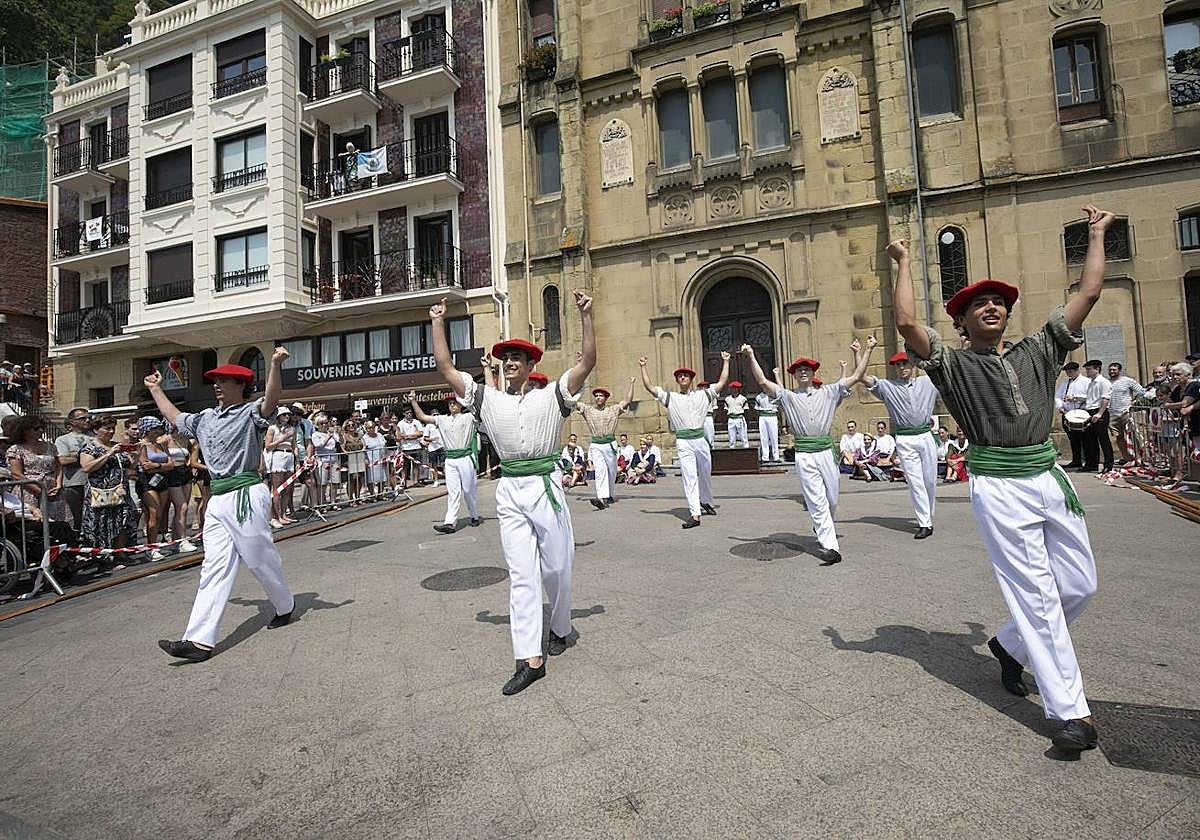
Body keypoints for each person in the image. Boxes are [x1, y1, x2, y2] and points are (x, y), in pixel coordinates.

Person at [889, 204, 1116, 755]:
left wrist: (1096, 235)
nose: (990, 307)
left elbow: (1086, 295)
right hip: (999, 484)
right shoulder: (951, 363)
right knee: (1036, 594)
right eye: (977, 305)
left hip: (1046, 475)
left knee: (1080, 584)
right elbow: (906, 325)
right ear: (962, 322)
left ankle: (1009, 645)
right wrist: (901, 261)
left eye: (998, 302)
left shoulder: (1039, 349)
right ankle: (1071, 713)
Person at [431, 289, 596, 696]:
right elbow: (446, 368)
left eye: (516, 359)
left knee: (557, 567)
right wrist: (437, 321)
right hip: (510, 491)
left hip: (545, 486)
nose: (509, 363)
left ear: (530, 364)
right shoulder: (487, 399)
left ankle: (560, 626)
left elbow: (588, 362)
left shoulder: (551, 395)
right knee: (522, 575)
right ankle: (529, 658)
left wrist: (586, 315)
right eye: (505, 359)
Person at [148, 350, 295, 663]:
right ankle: (199, 641)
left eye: (224, 381)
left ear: (240, 385)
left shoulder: (251, 413)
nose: (216, 385)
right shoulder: (204, 418)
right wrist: (155, 389)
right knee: (213, 567)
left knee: (259, 559)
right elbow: (175, 417)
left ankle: (285, 605)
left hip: (246, 494)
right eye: (215, 381)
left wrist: (274, 366)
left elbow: (271, 400)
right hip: (217, 499)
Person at [741, 338, 873, 564]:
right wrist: (751, 355)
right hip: (804, 453)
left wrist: (868, 349)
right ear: (794, 375)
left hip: (825, 451)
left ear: (812, 373)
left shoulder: (829, 392)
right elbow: (763, 381)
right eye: (798, 370)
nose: (803, 372)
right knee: (817, 500)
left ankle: (821, 525)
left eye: (806, 369)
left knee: (831, 499)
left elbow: (856, 376)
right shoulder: (788, 396)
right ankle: (831, 546)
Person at [639, 352, 731, 529]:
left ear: (691, 379)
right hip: (684, 442)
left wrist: (726, 361)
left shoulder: (702, 395)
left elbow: (721, 383)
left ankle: (705, 501)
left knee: (705, 472)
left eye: (685, 375)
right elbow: (650, 387)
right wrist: (643, 366)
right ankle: (695, 514)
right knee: (689, 477)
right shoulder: (671, 397)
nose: (682, 377)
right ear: (677, 380)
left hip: (700, 439)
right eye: (680, 376)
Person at [856, 348, 940, 537]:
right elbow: (861, 376)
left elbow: (950, 372)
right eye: (898, 365)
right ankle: (924, 522)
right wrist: (863, 351)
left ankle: (928, 516)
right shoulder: (888, 386)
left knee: (929, 480)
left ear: (913, 365)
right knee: (915, 481)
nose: (902, 367)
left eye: (905, 363)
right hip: (905, 438)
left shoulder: (928, 381)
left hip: (926, 435)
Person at [409, 392, 481, 533]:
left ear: (461, 404)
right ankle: (450, 522)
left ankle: (474, 515)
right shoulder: (442, 419)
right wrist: (413, 401)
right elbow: (422, 417)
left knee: (468, 490)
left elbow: (480, 407)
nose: (452, 405)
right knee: (453, 492)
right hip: (450, 459)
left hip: (465, 457)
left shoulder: (469, 417)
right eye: (450, 403)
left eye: (455, 402)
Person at [78, 415, 140, 559]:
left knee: (122, 521)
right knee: (101, 523)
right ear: (95, 430)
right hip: (99, 493)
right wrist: (109, 453)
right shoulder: (89, 447)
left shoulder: (116, 445)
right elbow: (87, 467)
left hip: (119, 491)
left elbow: (130, 467)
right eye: (107, 428)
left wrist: (136, 455)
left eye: (113, 428)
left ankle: (120, 553)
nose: (111, 431)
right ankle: (103, 556)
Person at [577, 378, 635, 510]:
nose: (598, 398)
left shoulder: (613, 410)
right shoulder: (588, 410)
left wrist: (631, 384)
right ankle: (602, 498)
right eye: (596, 396)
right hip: (596, 444)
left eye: (601, 396)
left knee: (612, 471)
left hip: (610, 445)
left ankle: (609, 494)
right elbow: (575, 403)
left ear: (606, 398)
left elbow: (627, 400)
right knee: (600, 471)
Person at [6, 415, 62, 516]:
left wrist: (58, 485)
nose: (41, 430)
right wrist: (40, 490)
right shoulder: (15, 449)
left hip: (52, 489)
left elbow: (58, 466)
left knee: (56, 523)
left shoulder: (51, 446)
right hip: (28, 490)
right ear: (25, 431)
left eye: (42, 428)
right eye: (36, 428)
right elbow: (16, 474)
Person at [54, 407, 94, 530]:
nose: (87, 420)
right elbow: (62, 460)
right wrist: (86, 459)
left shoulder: (95, 438)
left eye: (89, 418)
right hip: (74, 483)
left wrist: (75, 455)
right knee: (77, 516)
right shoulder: (63, 439)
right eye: (83, 418)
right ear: (72, 422)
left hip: (94, 483)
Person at [137, 417, 171, 553]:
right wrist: (162, 467)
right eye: (155, 429)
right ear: (147, 430)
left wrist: (157, 465)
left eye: (159, 428)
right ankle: (151, 547)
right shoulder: (141, 445)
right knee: (153, 512)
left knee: (160, 513)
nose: (158, 431)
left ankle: (156, 542)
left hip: (162, 480)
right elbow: (145, 466)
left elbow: (171, 464)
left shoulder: (161, 444)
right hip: (147, 481)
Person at [1106, 362, 1147, 465]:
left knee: (1133, 436)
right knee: (1119, 437)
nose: (1112, 372)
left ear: (1119, 370)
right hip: (1112, 414)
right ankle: (1127, 458)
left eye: (1114, 370)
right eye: (1110, 370)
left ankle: (1138, 457)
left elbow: (1142, 392)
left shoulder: (1128, 381)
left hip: (1126, 412)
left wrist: (1134, 403)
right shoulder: (1106, 382)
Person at [1080, 359, 1113, 473]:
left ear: (1097, 369)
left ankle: (1108, 464)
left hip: (1099, 412)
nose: (1087, 372)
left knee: (1103, 439)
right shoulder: (1091, 382)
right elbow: (1091, 399)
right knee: (1090, 439)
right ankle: (1092, 464)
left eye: (1089, 369)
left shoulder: (1103, 382)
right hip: (1089, 411)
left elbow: (1105, 398)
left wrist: (1100, 413)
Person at [265, 407, 297, 527]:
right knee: (277, 488)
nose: (287, 417)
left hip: (289, 456)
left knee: (288, 488)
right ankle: (276, 515)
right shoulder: (272, 429)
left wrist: (297, 459)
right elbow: (268, 446)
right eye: (284, 415)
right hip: (278, 455)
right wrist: (281, 439)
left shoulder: (292, 429)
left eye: (288, 415)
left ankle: (283, 514)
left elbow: (294, 445)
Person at [1054, 362, 1089, 468]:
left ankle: (1087, 461)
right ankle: (1076, 460)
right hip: (1067, 413)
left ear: (1077, 370)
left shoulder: (1086, 382)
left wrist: (1075, 397)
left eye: (1071, 372)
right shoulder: (1065, 382)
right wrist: (1060, 406)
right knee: (1073, 439)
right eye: (1067, 372)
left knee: (1084, 439)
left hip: (1081, 413)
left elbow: (1089, 396)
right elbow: (1058, 396)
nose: (1069, 374)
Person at [311, 413, 342, 509]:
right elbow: (318, 445)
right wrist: (328, 437)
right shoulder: (315, 434)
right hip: (322, 460)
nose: (324, 425)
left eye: (326, 423)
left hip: (333, 459)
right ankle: (322, 503)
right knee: (322, 483)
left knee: (335, 482)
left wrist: (339, 433)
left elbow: (340, 442)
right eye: (321, 423)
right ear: (317, 425)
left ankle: (333, 502)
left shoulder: (332, 433)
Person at [396, 407, 425, 486]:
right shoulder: (400, 423)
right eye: (407, 413)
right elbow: (399, 435)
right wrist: (413, 435)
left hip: (416, 446)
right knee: (405, 466)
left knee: (416, 465)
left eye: (410, 413)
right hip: (405, 448)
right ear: (404, 414)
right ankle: (403, 482)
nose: (409, 414)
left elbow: (420, 433)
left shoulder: (416, 422)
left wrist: (408, 436)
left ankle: (416, 481)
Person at [361, 420, 389, 497]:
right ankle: (372, 495)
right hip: (371, 460)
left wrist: (385, 456)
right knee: (371, 479)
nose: (371, 429)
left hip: (381, 458)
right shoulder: (364, 438)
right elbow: (363, 450)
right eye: (369, 428)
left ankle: (380, 494)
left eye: (373, 427)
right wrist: (365, 459)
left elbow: (384, 445)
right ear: (366, 429)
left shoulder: (379, 435)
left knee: (382, 478)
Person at [755, 385, 782, 463]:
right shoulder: (759, 397)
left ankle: (776, 456)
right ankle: (765, 457)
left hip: (772, 415)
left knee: (774, 437)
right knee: (764, 437)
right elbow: (757, 408)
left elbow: (779, 405)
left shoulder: (774, 395)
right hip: (763, 416)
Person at [342, 419, 366, 505]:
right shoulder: (345, 436)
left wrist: (362, 451)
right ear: (346, 427)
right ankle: (351, 499)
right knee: (351, 480)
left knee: (359, 479)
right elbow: (342, 447)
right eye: (349, 425)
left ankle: (358, 497)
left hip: (359, 458)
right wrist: (349, 454)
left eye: (353, 425)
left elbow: (364, 444)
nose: (351, 427)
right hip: (350, 459)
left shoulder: (359, 435)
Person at [724, 381, 749, 448]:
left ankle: (746, 449)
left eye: (735, 388)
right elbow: (725, 409)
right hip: (731, 418)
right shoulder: (727, 399)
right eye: (732, 388)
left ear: (738, 389)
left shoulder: (743, 399)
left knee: (743, 436)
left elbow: (746, 410)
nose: (734, 390)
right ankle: (732, 449)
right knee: (731, 437)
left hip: (740, 418)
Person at [422, 410, 444, 487]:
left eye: (437, 414)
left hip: (442, 446)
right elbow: (425, 438)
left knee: (444, 464)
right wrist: (432, 439)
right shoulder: (428, 426)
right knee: (434, 465)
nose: (436, 416)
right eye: (434, 415)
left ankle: (448, 479)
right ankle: (436, 480)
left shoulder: (442, 423)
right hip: (433, 448)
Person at [696, 381, 717, 447]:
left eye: (704, 387)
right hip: (700, 418)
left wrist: (712, 419)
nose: (702, 388)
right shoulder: (697, 397)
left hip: (708, 416)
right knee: (700, 437)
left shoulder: (711, 396)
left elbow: (715, 408)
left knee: (710, 436)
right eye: (700, 387)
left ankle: (712, 450)